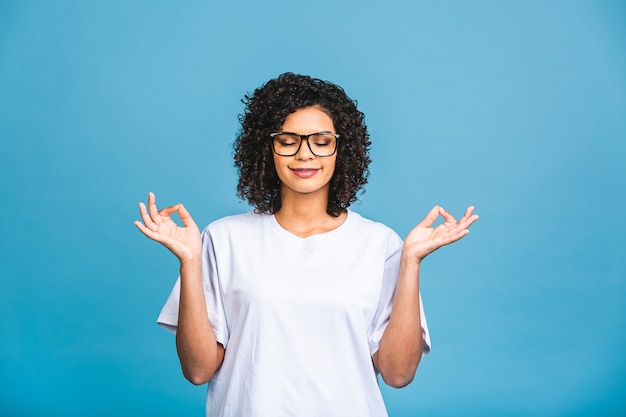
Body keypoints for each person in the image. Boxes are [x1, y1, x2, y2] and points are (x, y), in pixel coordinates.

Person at [134, 72, 478, 417]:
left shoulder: (380, 243)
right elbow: (198, 371)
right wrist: (190, 261)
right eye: (288, 140)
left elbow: (398, 374)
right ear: (267, 148)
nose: (305, 154)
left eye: (321, 141)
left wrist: (411, 261)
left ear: (341, 149)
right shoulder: (224, 239)